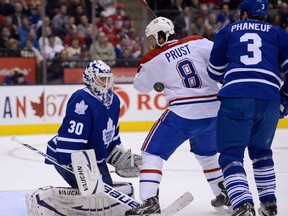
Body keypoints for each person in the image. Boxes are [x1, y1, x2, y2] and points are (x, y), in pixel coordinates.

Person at [125, 17, 230, 216]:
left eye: (152, 39)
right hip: (213, 110)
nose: (151, 44)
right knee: (207, 155)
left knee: (151, 153)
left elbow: (140, 86)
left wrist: (160, 76)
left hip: (183, 112)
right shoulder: (197, 41)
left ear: (161, 36)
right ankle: (223, 191)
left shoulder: (153, 58)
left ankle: (149, 200)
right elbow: (221, 56)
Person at [28, 60, 142, 215]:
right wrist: (83, 172)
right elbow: (71, 142)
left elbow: (109, 139)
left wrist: (119, 157)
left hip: (93, 157)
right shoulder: (82, 100)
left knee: (104, 191)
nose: (106, 82)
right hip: (67, 156)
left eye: (108, 78)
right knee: (97, 193)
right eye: (101, 78)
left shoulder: (114, 100)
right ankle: (47, 203)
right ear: (89, 79)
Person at [207, 0, 288, 215]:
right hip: (269, 100)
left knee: (231, 154)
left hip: (237, 97)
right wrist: (285, 98)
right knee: (262, 152)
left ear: (244, 13)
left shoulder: (228, 31)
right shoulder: (280, 34)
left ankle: (243, 203)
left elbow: (214, 72)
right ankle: (269, 204)